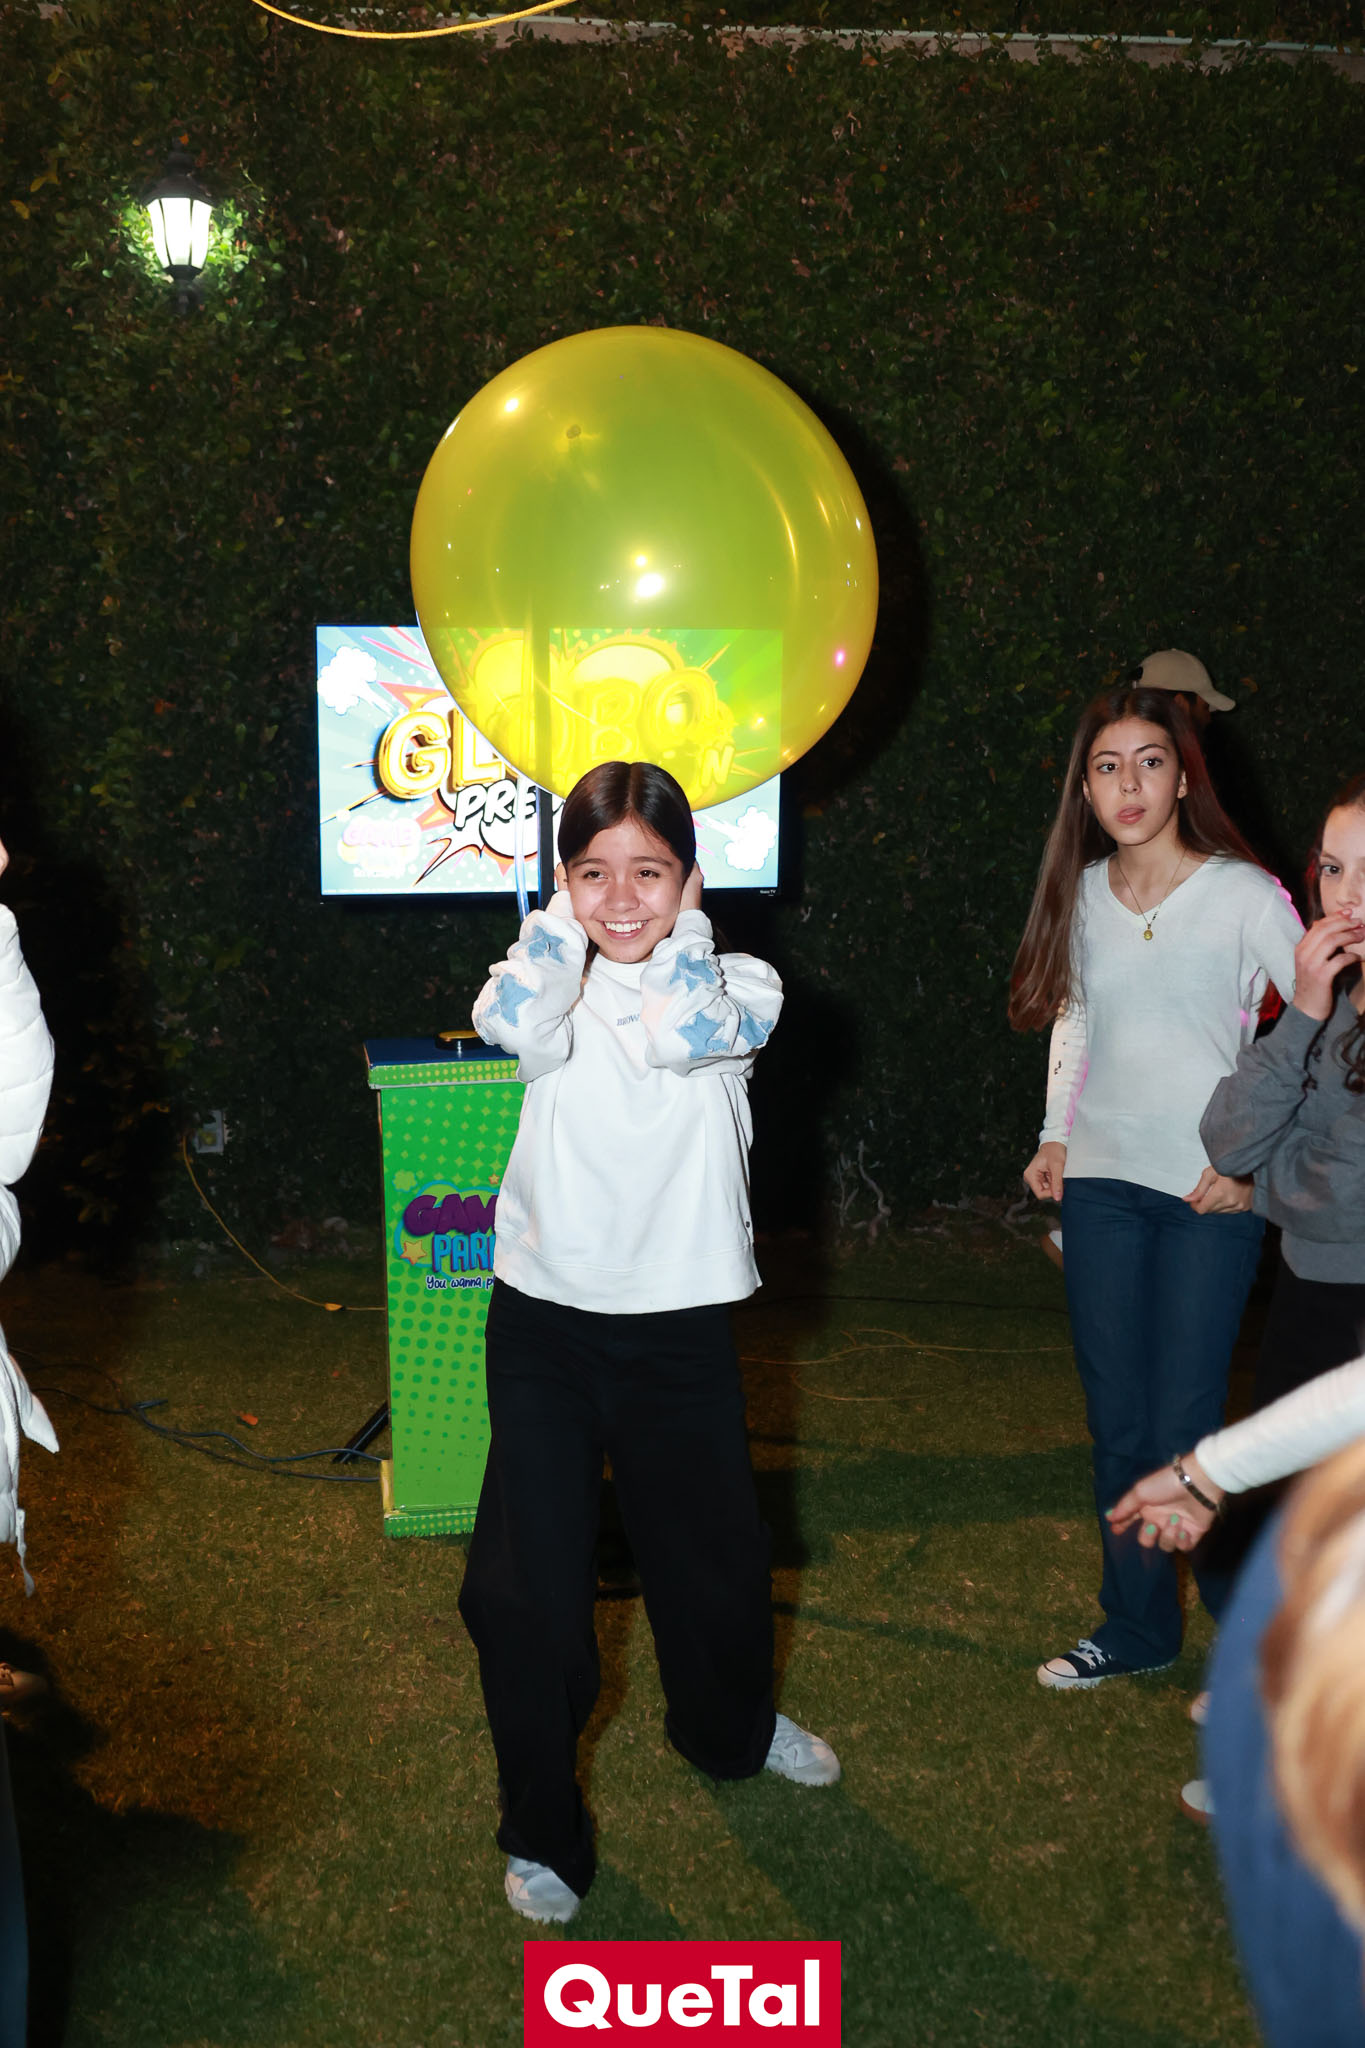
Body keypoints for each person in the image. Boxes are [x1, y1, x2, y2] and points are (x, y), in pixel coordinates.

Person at [461, 760, 839, 1925]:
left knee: (714, 1564)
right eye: (593, 872)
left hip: (678, 1329)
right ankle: (542, 1826)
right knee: (526, 1590)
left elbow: (684, 1034)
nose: (621, 899)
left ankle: (729, 1730)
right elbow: (509, 1024)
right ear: (561, 882)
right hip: (545, 1324)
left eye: (649, 871)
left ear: (690, 879)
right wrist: (556, 929)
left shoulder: (739, 983)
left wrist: (684, 932)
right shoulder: (542, 980)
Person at [1009, 682, 1302, 1689]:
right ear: (1084, 789)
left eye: (1149, 761)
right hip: (1100, 1187)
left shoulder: (1247, 895)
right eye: (1107, 766)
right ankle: (1135, 1626)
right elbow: (1076, 1018)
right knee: (1118, 1425)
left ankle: (1256, 1633)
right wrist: (1055, 1134)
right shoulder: (1083, 891)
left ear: (1183, 777)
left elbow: (1316, 1031)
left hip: (1205, 1197)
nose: (1128, 784)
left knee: (1187, 1432)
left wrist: (1255, 1163)